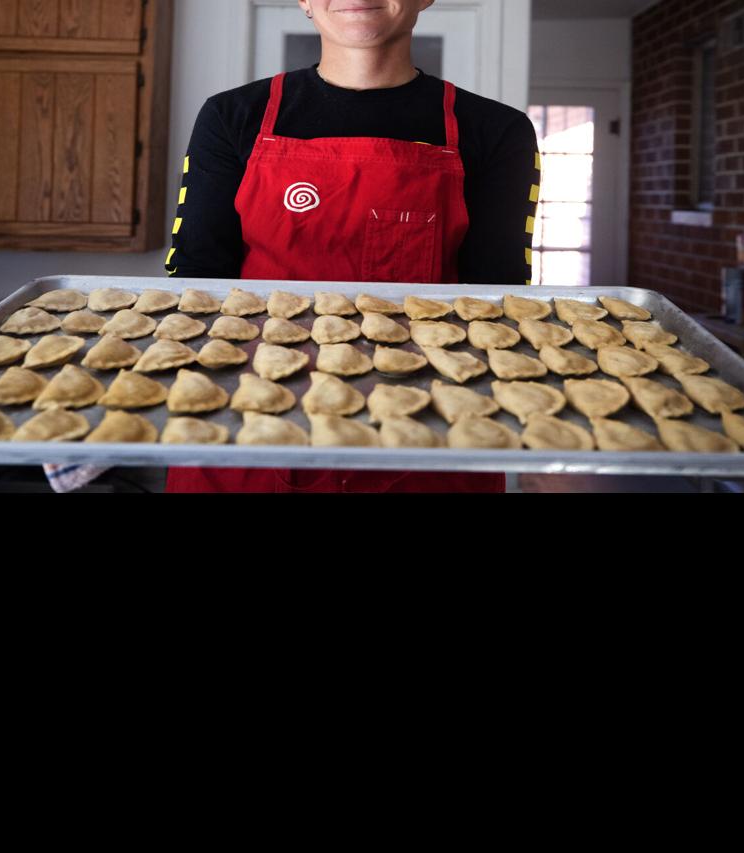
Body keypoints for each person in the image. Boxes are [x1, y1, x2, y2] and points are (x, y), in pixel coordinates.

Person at [162, 0, 540, 493]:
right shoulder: (233, 115)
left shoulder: (497, 130)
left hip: (424, 430)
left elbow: (496, 301)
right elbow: (195, 281)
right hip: (247, 419)